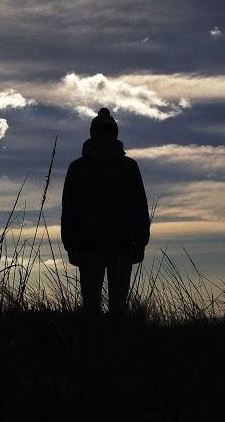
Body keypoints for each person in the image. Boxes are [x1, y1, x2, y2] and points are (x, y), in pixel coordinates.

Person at [61, 108, 150, 315]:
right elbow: (69, 209)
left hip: (122, 245)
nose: (105, 136)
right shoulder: (78, 168)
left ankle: (117, 344)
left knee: (119, 305)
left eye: (110, 131)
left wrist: (141, 242)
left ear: (115, 135)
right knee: (91, 306)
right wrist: (72, 246)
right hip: (89, 246)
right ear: (93, 134)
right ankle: (92, 344)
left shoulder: (129, 167)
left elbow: (139, 205)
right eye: (101, 131)